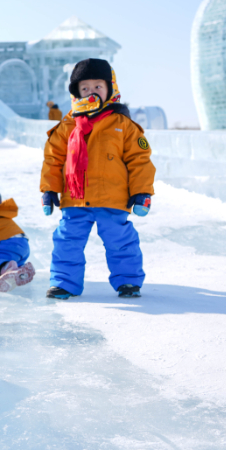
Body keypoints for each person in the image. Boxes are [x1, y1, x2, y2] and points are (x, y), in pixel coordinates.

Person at [40, 59, 155, 299]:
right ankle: (63, 282)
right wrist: (49, 190)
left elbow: (139, 160)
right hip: (75, 198)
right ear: (76, 92)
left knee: (121, 243)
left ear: (110, 89)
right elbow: (54, 159)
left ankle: (128, 282)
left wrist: (142, 192)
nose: (91, 93)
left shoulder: (123, 124)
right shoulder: (68, 125)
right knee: (66, 243)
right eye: (85, 88)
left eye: (98, 87)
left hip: (112, 198)